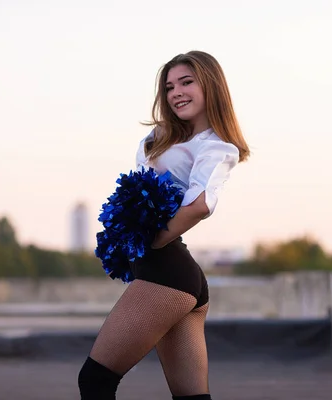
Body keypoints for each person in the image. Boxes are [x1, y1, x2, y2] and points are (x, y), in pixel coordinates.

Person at [78, 50, 250, 400]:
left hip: (167, 275)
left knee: (95, 381)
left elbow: (200, 204)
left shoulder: (216, 146)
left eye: (187, 82)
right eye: (170, 86)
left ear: (211, 87)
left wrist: (152, 241)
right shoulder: (163, 137)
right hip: (174, 277)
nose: (176, 92)